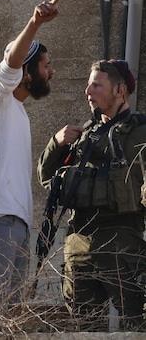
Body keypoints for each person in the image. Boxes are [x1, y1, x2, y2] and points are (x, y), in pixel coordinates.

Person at [0, 0, 61, 332]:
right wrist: (35, 23)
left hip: (16, 223)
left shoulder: (18, 112)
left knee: (9, 320)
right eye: (45, 64)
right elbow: (11, 60)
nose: (51, 71)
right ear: (26, 72)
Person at [38, 59, 146, 331]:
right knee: (84, 329)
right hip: (79, 245)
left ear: (120, 90)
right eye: (89, 85)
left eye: (97, 85)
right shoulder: (81, 136)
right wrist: (56, 143)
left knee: (135, 327)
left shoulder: (141, 132)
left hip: (123, 241)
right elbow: (46, 179)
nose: (88, 91)